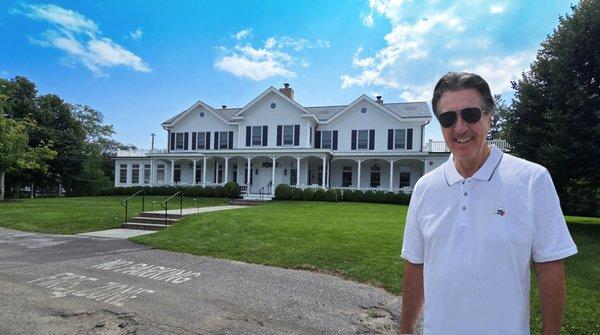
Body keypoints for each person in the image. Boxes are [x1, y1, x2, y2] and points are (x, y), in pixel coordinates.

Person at [399, 72, 578, 335]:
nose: (460, 128)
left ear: (489, 116)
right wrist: (405, 331)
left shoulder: (532, 179)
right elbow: (415, 266)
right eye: (448, 118)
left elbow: (549, 264)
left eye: (470, 114)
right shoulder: (425, 188)